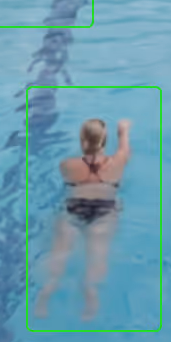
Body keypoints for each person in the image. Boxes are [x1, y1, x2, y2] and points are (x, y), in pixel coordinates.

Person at [35, 118, 132, 320]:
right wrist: (123, 130)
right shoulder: (118, 162)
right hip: (104, 212)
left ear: (82, 141)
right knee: (98, 256)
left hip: (73, 210)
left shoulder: (67, 165)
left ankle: (46, 293)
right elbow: (124, 145)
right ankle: (90, 296)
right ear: (104, 142)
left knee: (58, 254)